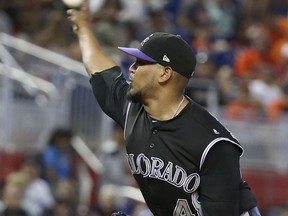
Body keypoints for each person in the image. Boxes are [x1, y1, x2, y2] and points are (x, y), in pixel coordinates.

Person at [66, 1, 260, 215]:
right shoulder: (133, 109)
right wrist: (83, 28)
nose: (131, 68)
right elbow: (98, 66)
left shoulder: (211, 144)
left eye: (140, 63)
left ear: (164, 74)